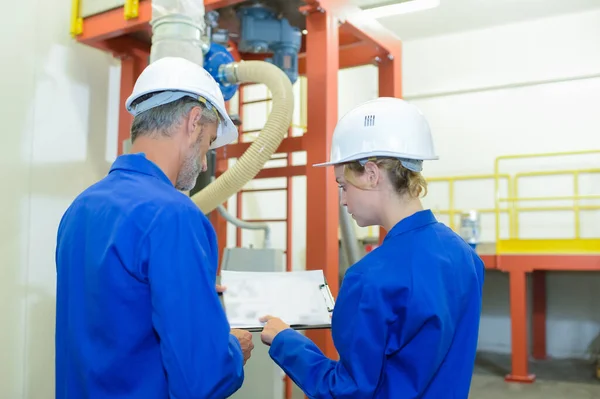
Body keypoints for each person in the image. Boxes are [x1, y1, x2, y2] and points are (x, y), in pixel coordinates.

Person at [54, 57, 254, 399]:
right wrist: (233, 348)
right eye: (207, 142)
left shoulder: (80, 208)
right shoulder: (175, 215)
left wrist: (192, 289)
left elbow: (113, 314)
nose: (205, 160)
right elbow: (200, 380)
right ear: (193, 122)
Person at [259, 97, 485, 398]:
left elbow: (346, 390)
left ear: (371, 173)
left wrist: (285, 340)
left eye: (343, 185)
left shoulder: (369, 277)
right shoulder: (465, 255)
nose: (342, 199)